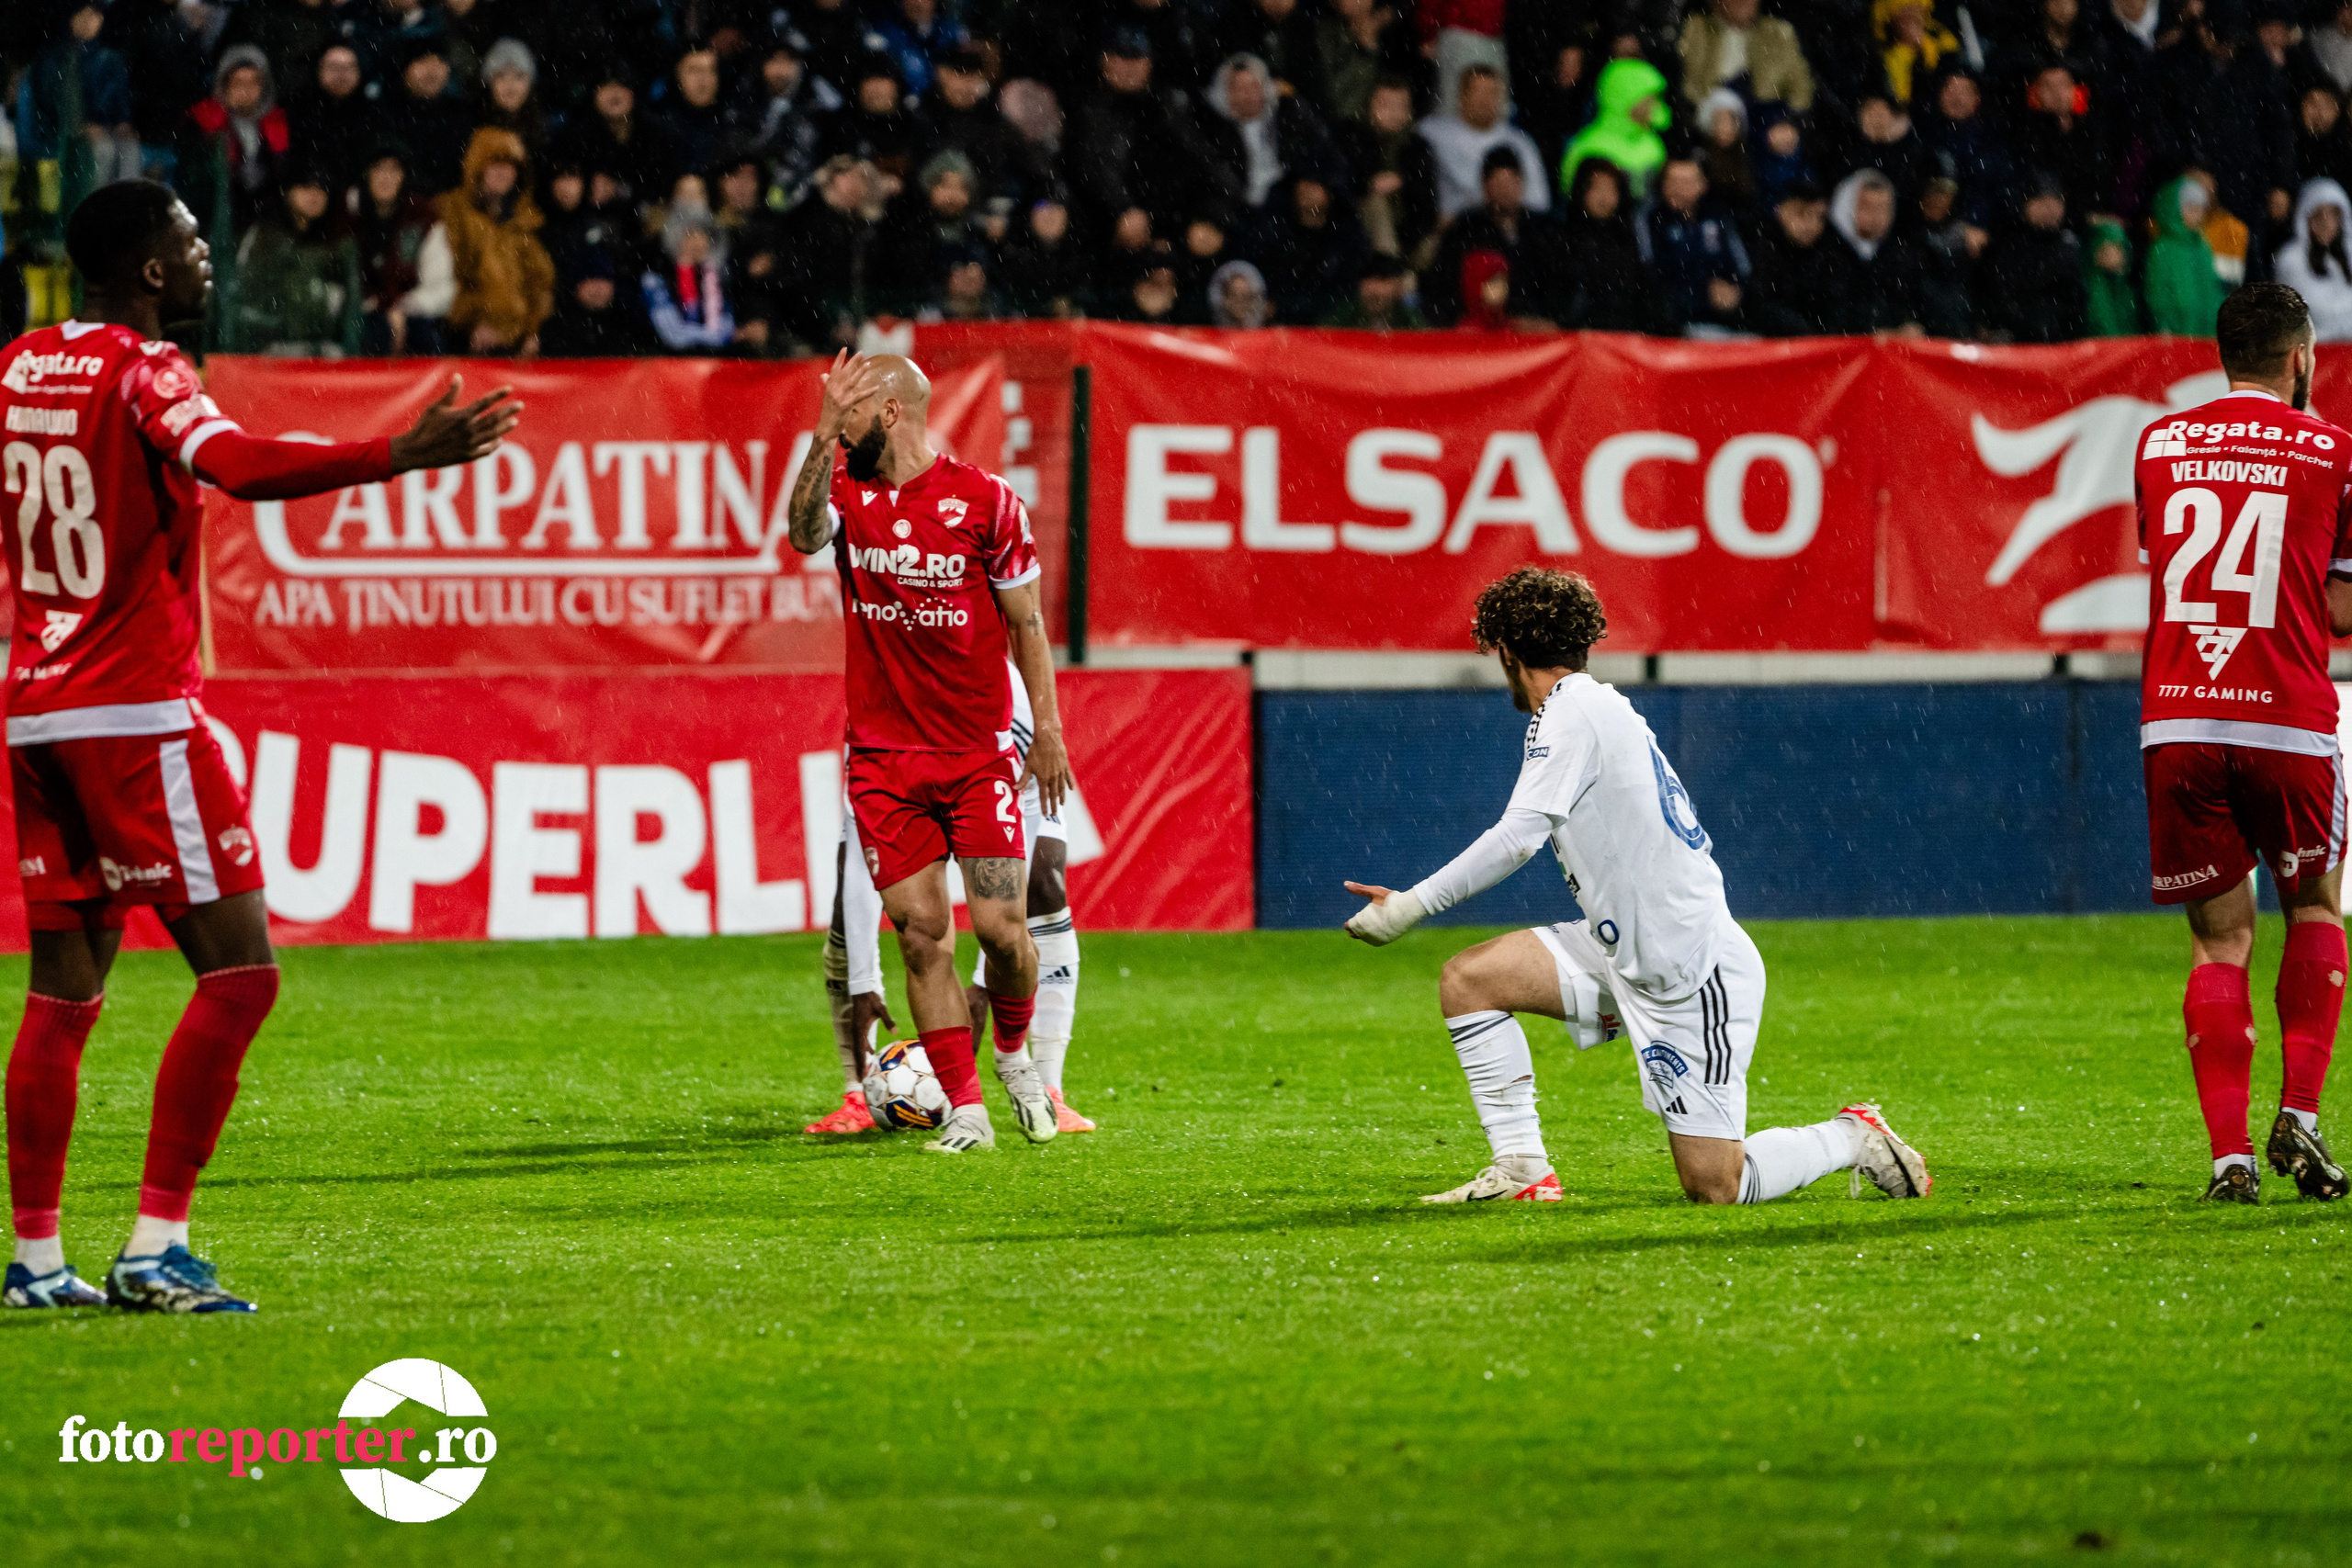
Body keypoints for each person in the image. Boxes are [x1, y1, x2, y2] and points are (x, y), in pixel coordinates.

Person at [0, 180, 518, 1311]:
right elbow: (231, 463)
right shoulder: (149, 372)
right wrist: (394, 456)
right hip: (133, 711)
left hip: (32, 705)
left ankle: (36, 1262)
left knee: (62, 994)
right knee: (239, 975)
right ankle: (152, 1249)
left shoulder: (17, 366)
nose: (205, 259)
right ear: (147, 271)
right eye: (188, 243)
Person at [1340, 567, 1928, 1208]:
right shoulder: (1583, 708)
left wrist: (1408, 908)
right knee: (1471, 981)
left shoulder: (1577, 712)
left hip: (1688, 969)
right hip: (1623, 952)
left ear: (1506, 652)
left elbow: (1518, 838)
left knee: (1716, 1186)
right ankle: (1522, 1170)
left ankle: (1850, 1135)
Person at [786, 353, 1071, 1155]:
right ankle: (968, 1109)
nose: (835, 426)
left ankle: (1014, 1052)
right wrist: (816, 437)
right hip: (883, 760)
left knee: (1003, 929)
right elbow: (803, 534)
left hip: (976, 754)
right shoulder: (844, 489)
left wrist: (1046, 730)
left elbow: (1029, 626)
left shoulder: (986, 502)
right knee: (919, 935)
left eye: (844, 411)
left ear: (886, 412)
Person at [2132, 283, 2352, 1202]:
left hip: (2179, 718)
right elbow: (2334, 607)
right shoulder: (2332, 452)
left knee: (2217, 943)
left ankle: (2228, 1159)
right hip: (2285, 716)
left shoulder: (2158, 445)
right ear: (2300, 359)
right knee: (2313, 905)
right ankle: (2297, 1114)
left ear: (2221, 355)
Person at [808, 662, 1097, 1137]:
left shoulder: (1005, 704)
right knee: (850, 906)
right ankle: (856, 1092)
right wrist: (863, 982)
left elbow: (1011, 883)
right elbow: (859, 852)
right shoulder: (877, 714)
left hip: (1004, 779)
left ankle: (1048, 1086)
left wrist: (990, 981)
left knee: (1043, 883)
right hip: (906, 779)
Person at [1423, 63, 1553, 220]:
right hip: (1449, 228)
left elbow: (1538, 202)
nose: (1484, 100)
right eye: (1478, 92)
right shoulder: (1431, 134)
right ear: (1462, 95)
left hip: (1504, 228)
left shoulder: (1521, 144)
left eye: (1491, 93)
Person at [2273, 179, 2352, 339]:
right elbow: (2303, 311)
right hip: (2313, 352)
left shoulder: (2349, 253)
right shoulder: (2291, 258)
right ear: (2306, 217)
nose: (2326, 223)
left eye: (2333, 215)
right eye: (2319, 215)